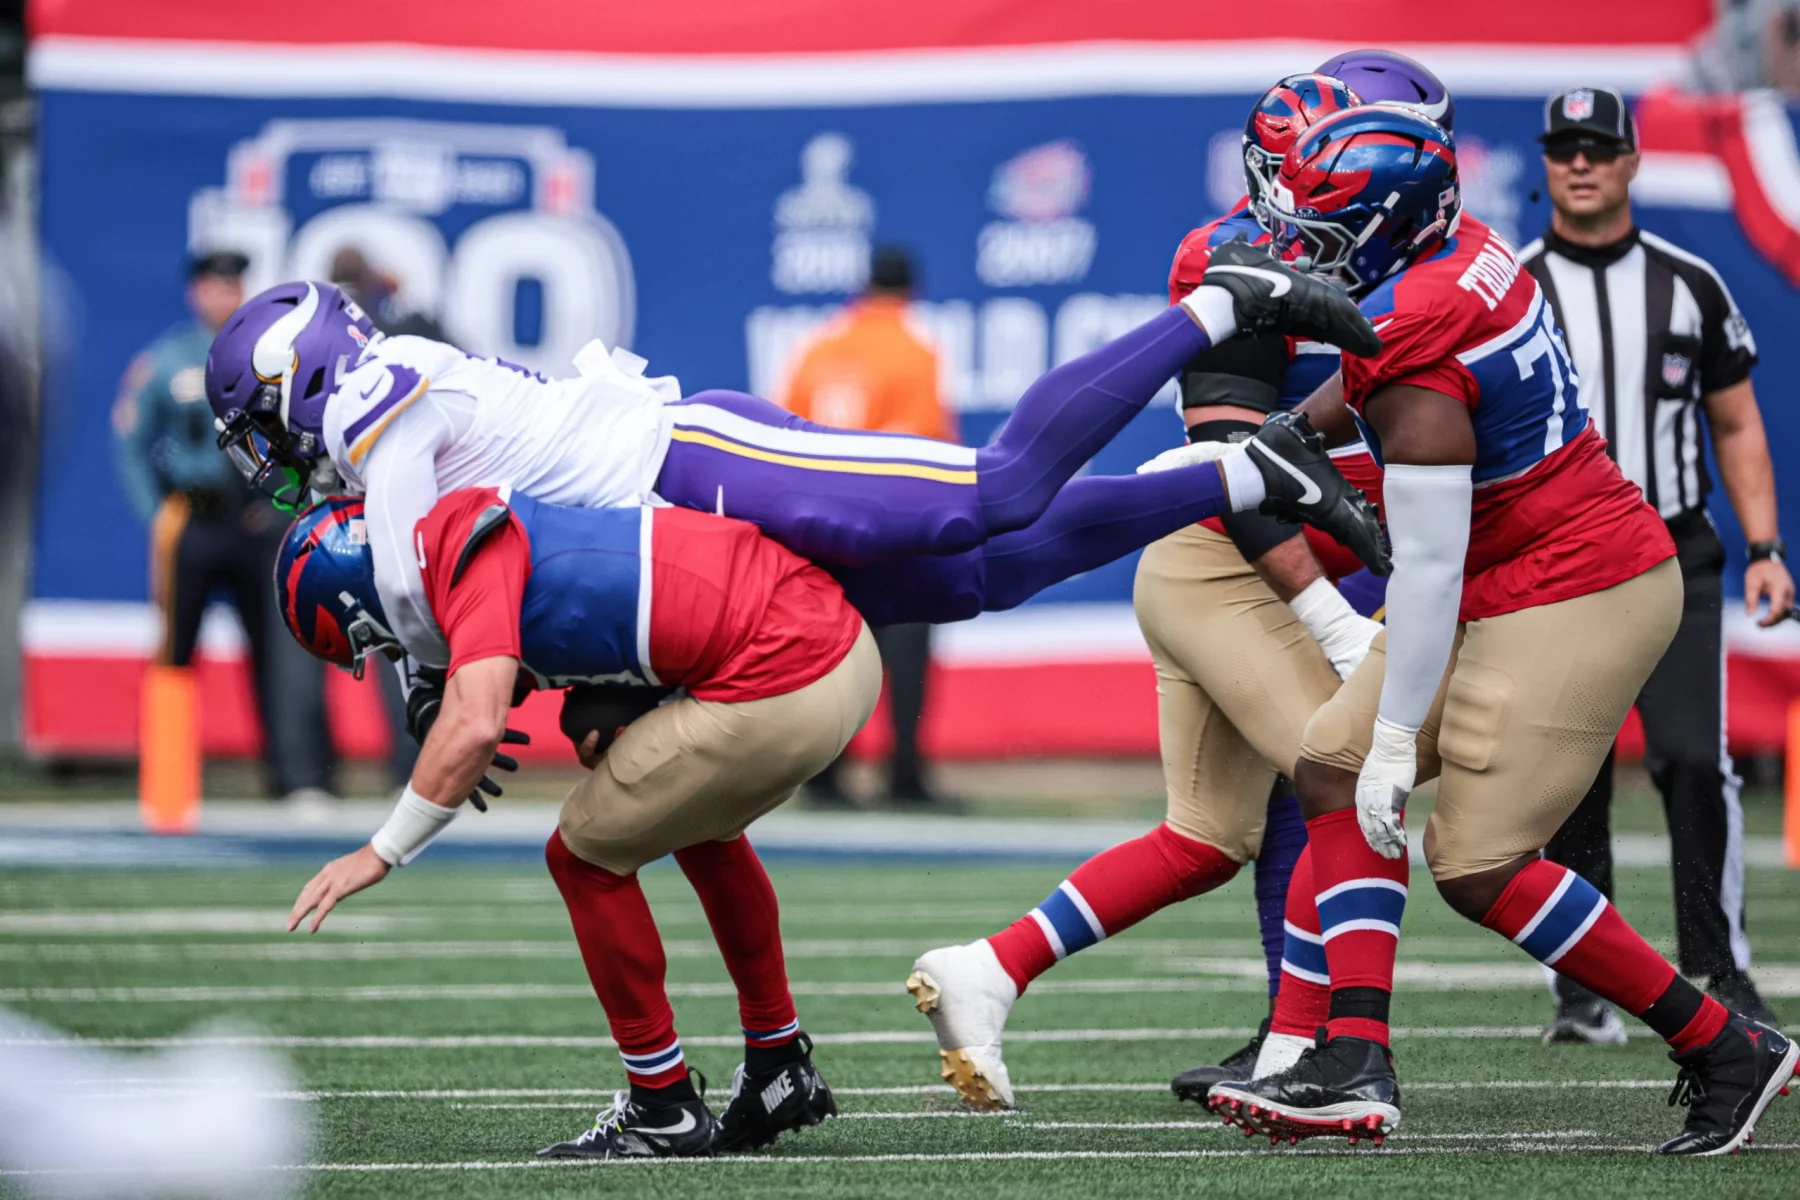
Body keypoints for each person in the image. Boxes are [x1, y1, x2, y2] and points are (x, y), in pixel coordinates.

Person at [270, 417, 1377, 1158]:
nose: (391, 649)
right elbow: (605, 631)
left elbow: (470, 721)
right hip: (812, 652)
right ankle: (778, 1066)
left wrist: (381, 849)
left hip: (783, 665)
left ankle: (661, 1102)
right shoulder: (469, 524)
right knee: (688, 825)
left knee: (584, 851)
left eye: (371, 634)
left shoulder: (461, 535)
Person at [1204, 103, 1796, 1157]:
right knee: (1329, 765)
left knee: (1472, 860)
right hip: (1505, 565)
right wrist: (1299, 431)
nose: (1304, 239)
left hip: (1578, 584)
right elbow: (1377, 362)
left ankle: (1724, 1046)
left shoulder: (1418, 349)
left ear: (1390, 218)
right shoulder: (1460, 247)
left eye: (1329, 217)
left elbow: (1424, 562)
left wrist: (1401, 743)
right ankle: (1354, 1054)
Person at [204, 247, 1383, 677]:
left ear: (306, 373)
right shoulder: (388, 447)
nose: (272, 458)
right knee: (981, 580)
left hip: (698, 466)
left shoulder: (382, 394)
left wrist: (427, 668)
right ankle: (1246, 475)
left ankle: (1228, 306)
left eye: (262, 422)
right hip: (691, 540)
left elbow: (414, 585)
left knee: (1001, 494)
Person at [1160, 53, 1454, 1099]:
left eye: (1324, 175)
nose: (1296, 201)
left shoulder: (1447, 270)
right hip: (1316, 558)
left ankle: (1331, 1035)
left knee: (1436, 817)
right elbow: (1240, 464)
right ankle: (1312, 1032)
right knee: (1313, 782)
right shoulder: (1232, 257)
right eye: (1291, 172)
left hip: (1435, 544)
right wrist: (1326, 610)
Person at [1520, 87, 1792, 1041]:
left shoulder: (1691, 285)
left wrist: (1764, 548)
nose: (1581, 164)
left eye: (1599, 148)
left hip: (1674, 551)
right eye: (1565, 150)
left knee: (1690, 761)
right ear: (1547, 164)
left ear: (1632, 161)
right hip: (1558, 563)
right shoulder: (1514, 291)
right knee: (1568, 773)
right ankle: (1587, 986)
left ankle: (1720, 970)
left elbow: (1736, 423)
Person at [112, 250, 335, 804]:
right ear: (197, 292)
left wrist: (284, 503)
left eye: (233, 285)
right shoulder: (167, 360)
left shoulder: (273, 358)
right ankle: (167, 788)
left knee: (278, 647)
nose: (224, 296)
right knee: (174, 649)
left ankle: (293, 779)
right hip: (195, 517)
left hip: (257, 518)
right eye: (214, 285)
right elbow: (131, 442)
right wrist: (156, 513)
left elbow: (302, 436)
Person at [781, 246, 955, 805]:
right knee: (903, 649)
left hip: (822, 523)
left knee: (830, 649)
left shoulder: (820, 347)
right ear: (910, 290)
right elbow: (925, 446)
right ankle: (903, 772)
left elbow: (788, 434)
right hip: (888, 521)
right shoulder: (913, 350)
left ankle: (823, 774)